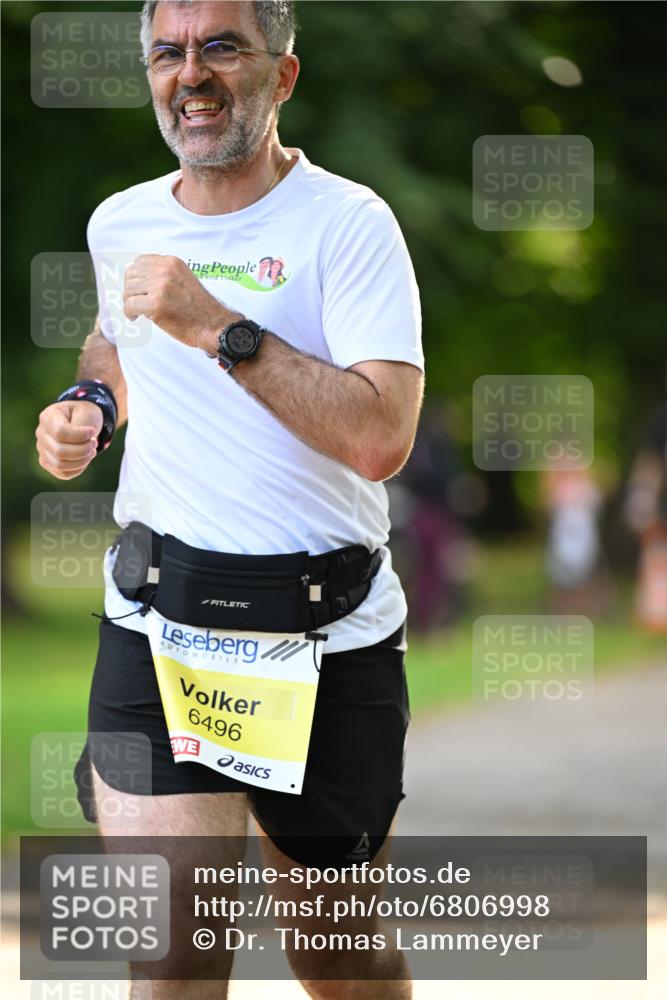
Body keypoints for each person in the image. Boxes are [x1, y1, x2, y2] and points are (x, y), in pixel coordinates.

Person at [34, 2, 424, 997]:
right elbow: (117, 342)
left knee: (338, 955)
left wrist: (217, 323)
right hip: (160, 622)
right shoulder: (120, 220)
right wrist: (88, 402)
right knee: (172, 954)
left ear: (281, 76)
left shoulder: (350, 225)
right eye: (169, 52)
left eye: (221, 48)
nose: (191, 74)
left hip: (322, 633)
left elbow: (380, 435)